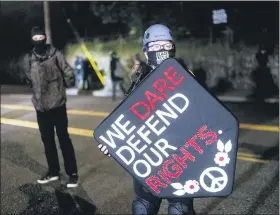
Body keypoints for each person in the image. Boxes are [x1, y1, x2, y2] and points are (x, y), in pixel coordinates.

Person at [98, 24, 197, 215]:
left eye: (165, 45)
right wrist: (112, 143)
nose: (161, 50)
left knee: (180, 210)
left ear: (173, 48)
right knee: (143, 208)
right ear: (146, 51)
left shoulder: (187, 77)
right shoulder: (139, 81)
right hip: (148, 160)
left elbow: (206, 115)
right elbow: (126, 119)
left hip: (181, 158)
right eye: (155, 46)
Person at [16, 26, 79, 188]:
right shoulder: (29, 58)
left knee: (64, 139)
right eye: (35, 39)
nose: (38, 41)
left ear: (45, 38)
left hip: (58, 105)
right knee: (48, 141)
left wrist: (67, 83)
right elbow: (27, 77)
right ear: (32, 40)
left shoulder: (55, 54)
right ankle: (53, 171)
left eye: (40, 38)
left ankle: (72, 174)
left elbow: (68, 71)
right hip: (41, 108)